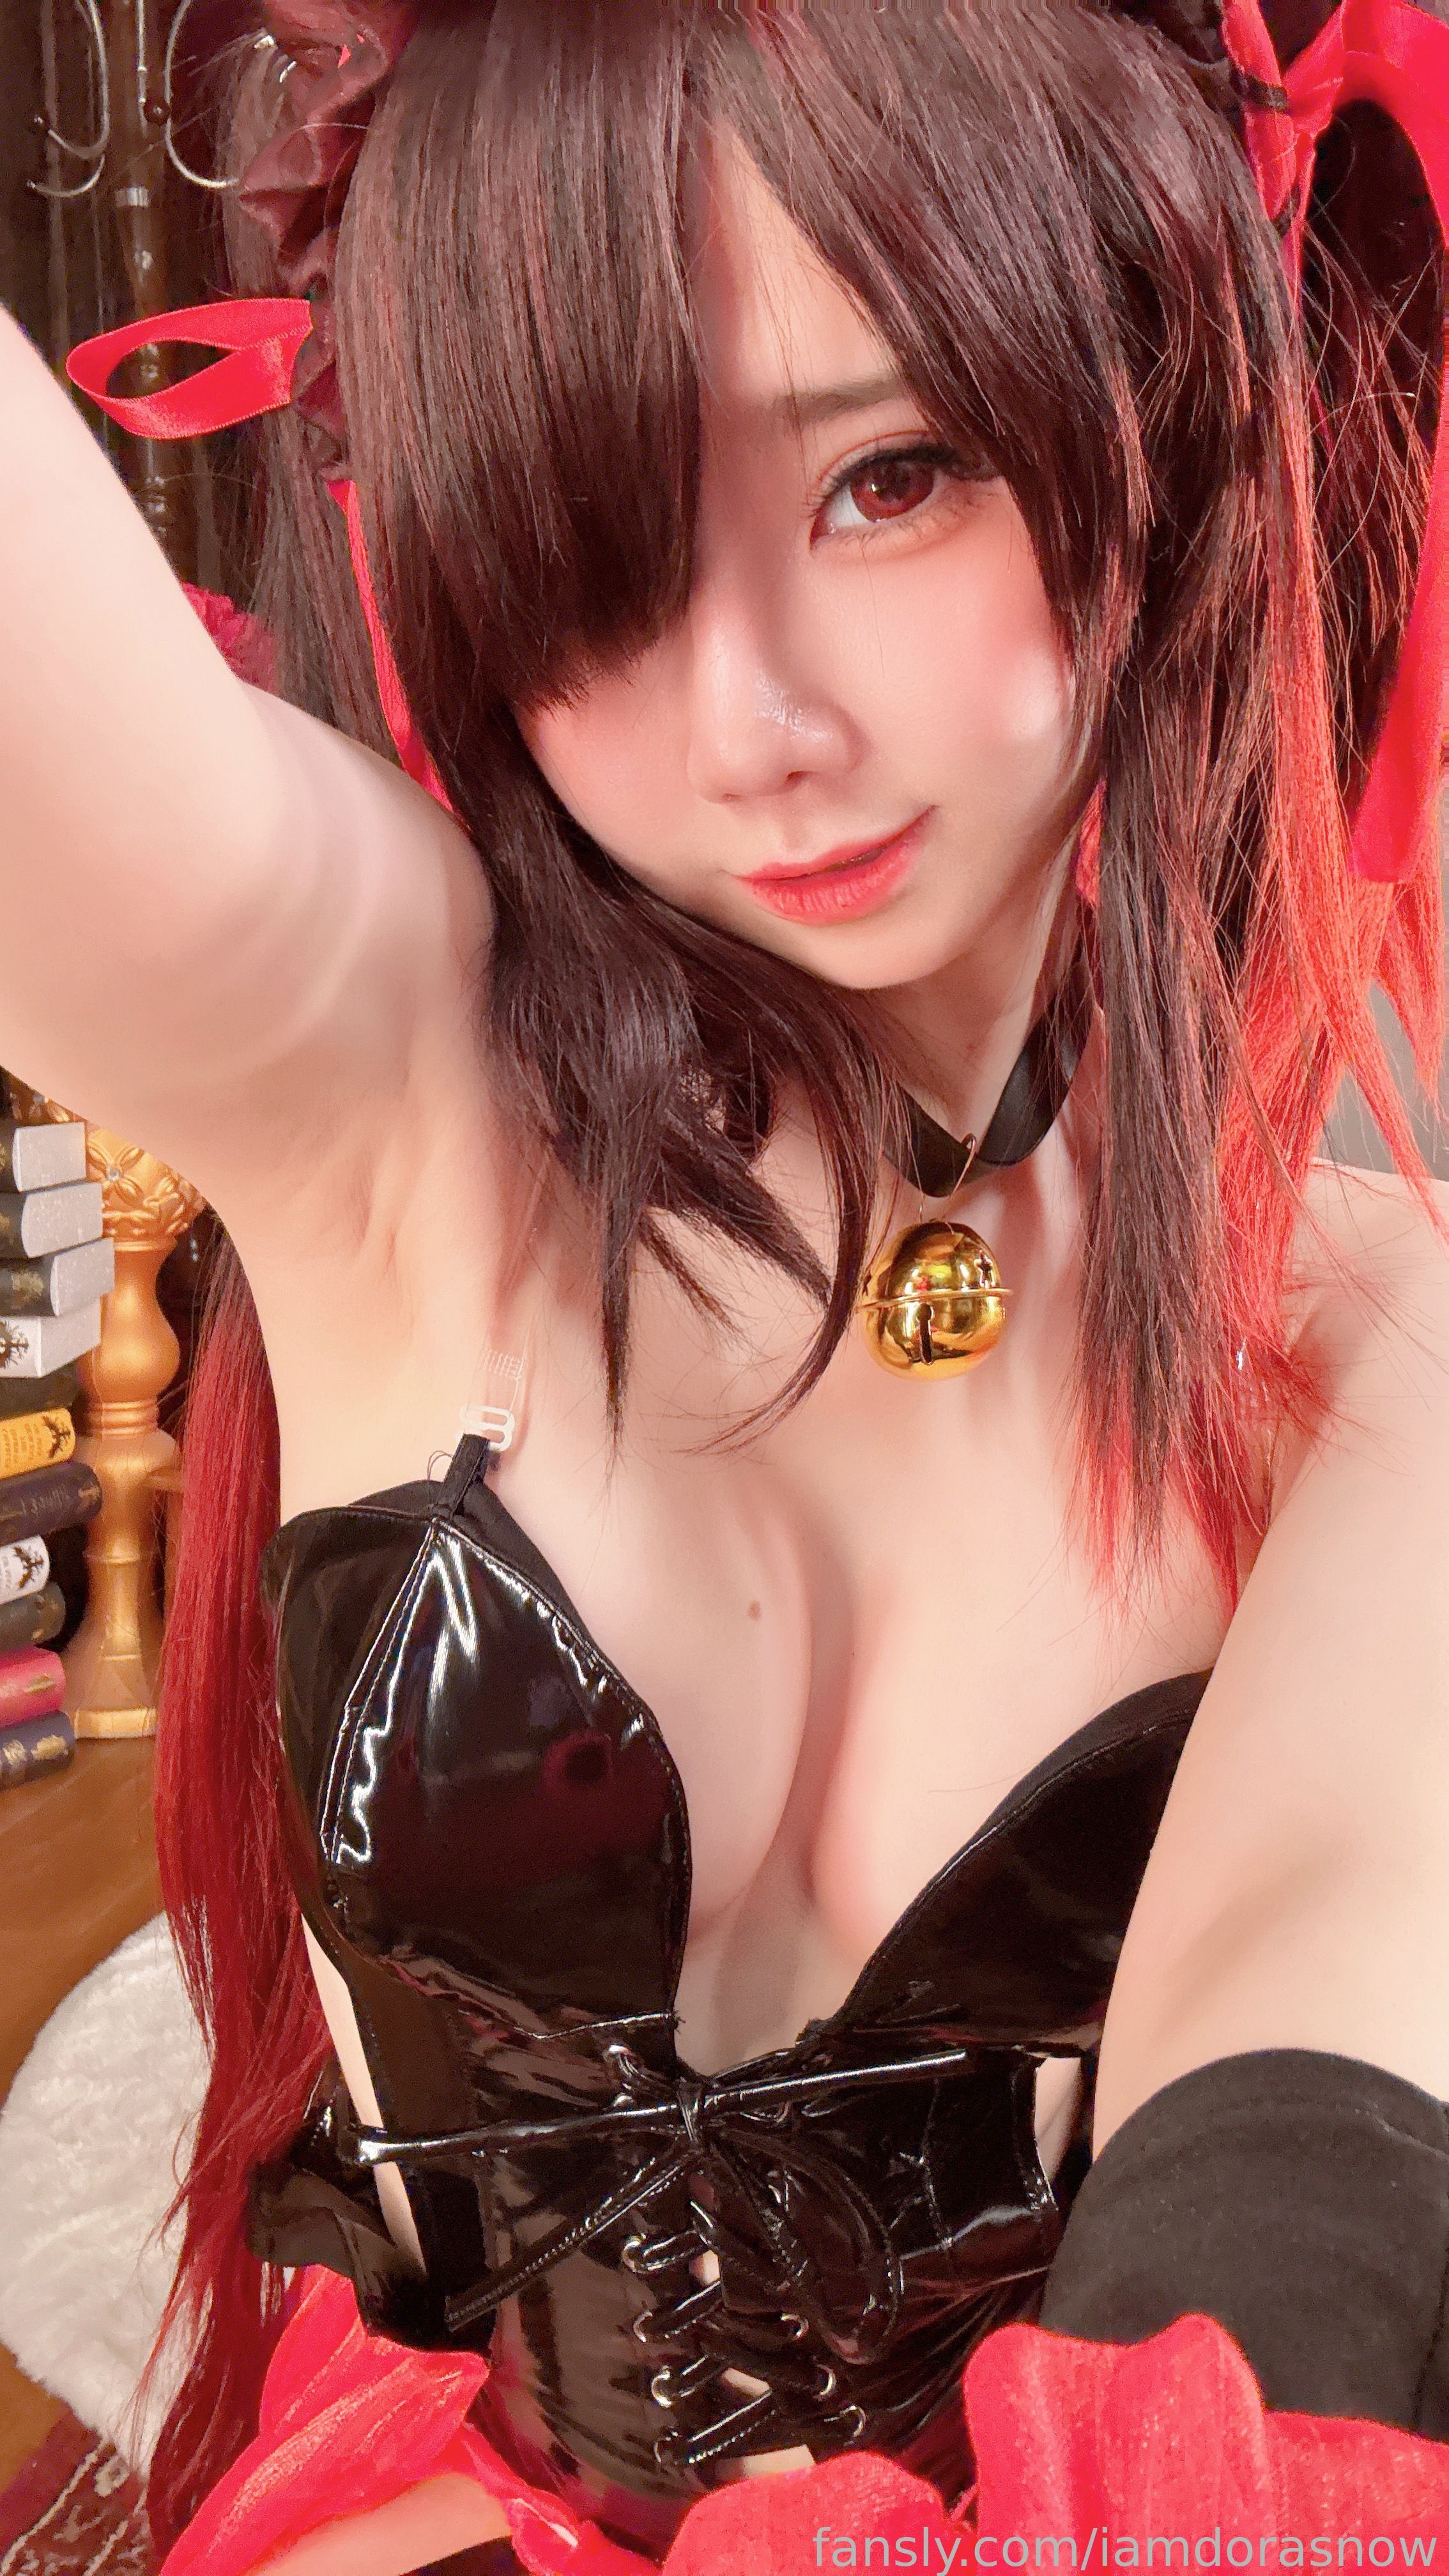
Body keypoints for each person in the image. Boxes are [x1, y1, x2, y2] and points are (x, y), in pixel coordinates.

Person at [16, 0, 1449, 2568]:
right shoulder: (403, 1082)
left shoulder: (1361, 1343)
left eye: (889, 477)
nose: (751, 721)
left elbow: (1262, 2281)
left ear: (1163, 393)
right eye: (591, 544)